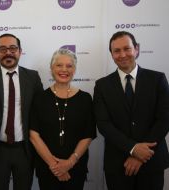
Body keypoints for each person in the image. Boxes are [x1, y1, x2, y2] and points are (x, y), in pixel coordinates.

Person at [93, 31, 169, 190]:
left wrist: (141, 155)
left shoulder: (157, 79)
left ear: (136, 49)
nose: (122, 55)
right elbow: (103, 124)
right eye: (117, 51)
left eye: (127, 48)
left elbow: (164, 119)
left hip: (151, 161)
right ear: (112, 55)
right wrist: (133, 149)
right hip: (118, 164)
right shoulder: (102, 85)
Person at [0, 33, 43, 190]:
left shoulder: (32, 77)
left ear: (20, 51)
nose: (8, 52)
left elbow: (39, 112)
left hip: (25, 150)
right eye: (3, 49)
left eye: (13, 48)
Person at [29, 48, 96, 190]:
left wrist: (69, 163)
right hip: (47, 168)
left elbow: (88, 135)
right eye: (59, 65)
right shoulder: (39, 98)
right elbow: (34, 135)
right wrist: (55, 166)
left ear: (75, 69)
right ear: (51, 68)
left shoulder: (85, 98)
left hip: (75, 168)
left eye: (69, 65)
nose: (64, 69)